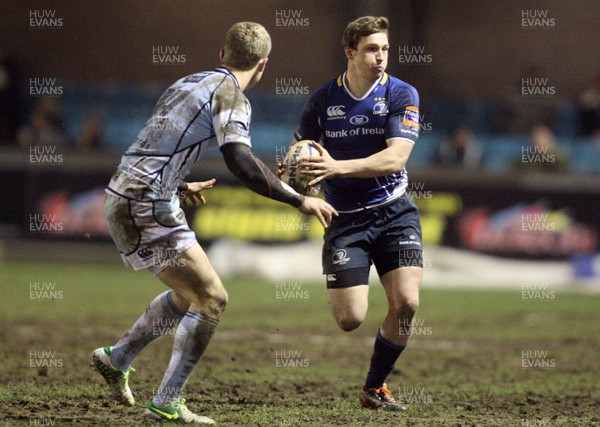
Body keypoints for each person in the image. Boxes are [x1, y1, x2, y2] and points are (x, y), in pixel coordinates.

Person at [91, 22, 337, 425]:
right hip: (147, 201)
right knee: (213, 298)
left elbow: (154, 145)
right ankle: (167, 400)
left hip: (126, 192)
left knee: (190, 294)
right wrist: (299, 199)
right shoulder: (232, 97)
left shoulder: (188, 82)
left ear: (222, 55)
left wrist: (178, 182)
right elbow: (240, 161)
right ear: (263, 66)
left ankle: (117, 359)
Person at [289, 16, 423, 411]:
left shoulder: (401, 93)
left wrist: (337, 168)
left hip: (394, 211)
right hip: (344, 218)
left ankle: (374, 387)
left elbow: (396, 157)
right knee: (350, 319)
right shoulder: (322, 100)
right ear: (350, 52)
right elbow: (300, 152)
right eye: (371, 49)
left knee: (408, 303)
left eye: (384, 48)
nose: (380, 57)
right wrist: (296, 176)